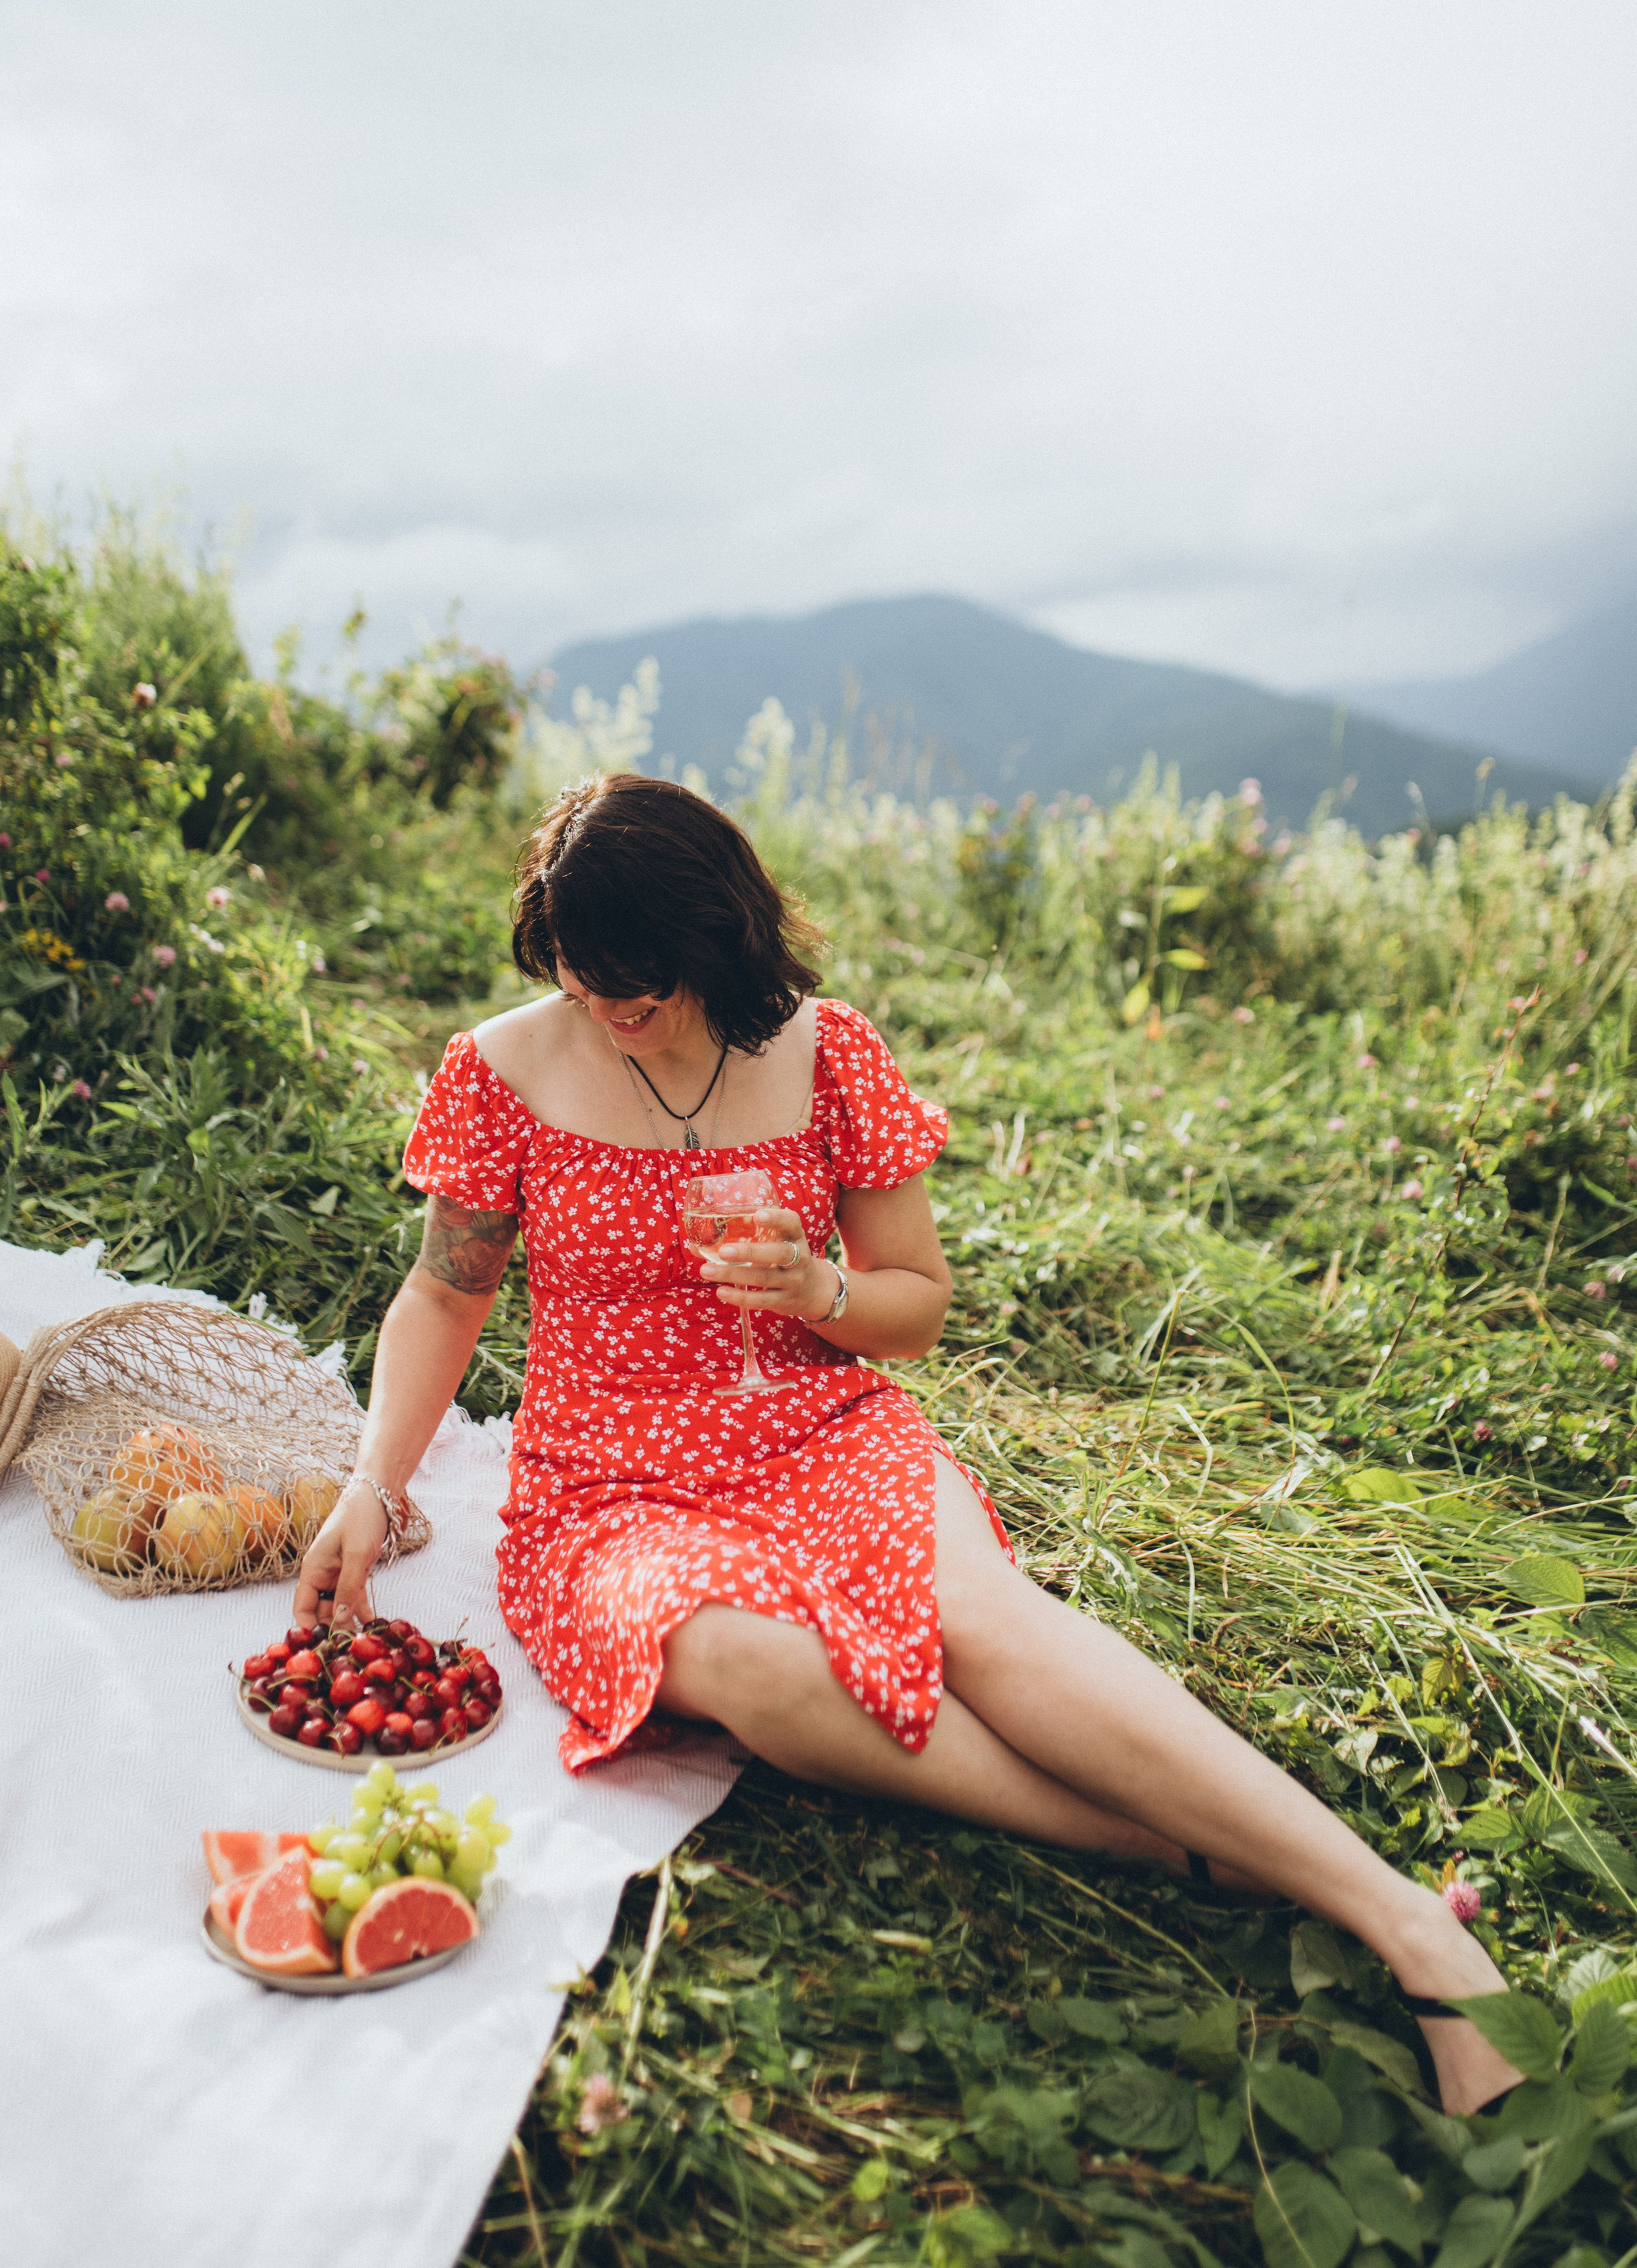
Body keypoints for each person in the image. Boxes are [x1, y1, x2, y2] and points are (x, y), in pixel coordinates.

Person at [295, 772, 1520, 2114]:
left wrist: (816, 1294)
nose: (611, 1014)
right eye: (585, 984)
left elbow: (914, 1304)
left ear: (718, 943)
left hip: (817, 1425)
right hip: (608, 1482)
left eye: (639, 992)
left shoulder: (826, 1055)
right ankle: (1199, 1848)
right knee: (746, 1670)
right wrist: (374, 1479)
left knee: (985, 1622)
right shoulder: (501, 1068)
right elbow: (446, 1290)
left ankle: (1410, 1932)